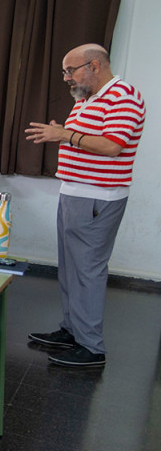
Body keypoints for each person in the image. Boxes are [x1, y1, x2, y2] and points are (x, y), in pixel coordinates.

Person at [25, 43, 145, 368]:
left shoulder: (123, 96)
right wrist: (66, 133)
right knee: (70, 267)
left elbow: (111, 145)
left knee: (88, 271)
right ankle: (72, 330)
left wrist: (64, 134)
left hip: (97, 198)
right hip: (75, 193)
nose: (66, 77)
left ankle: (92, 347)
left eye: (70, 70)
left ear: (94, 66)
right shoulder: (87, 99)